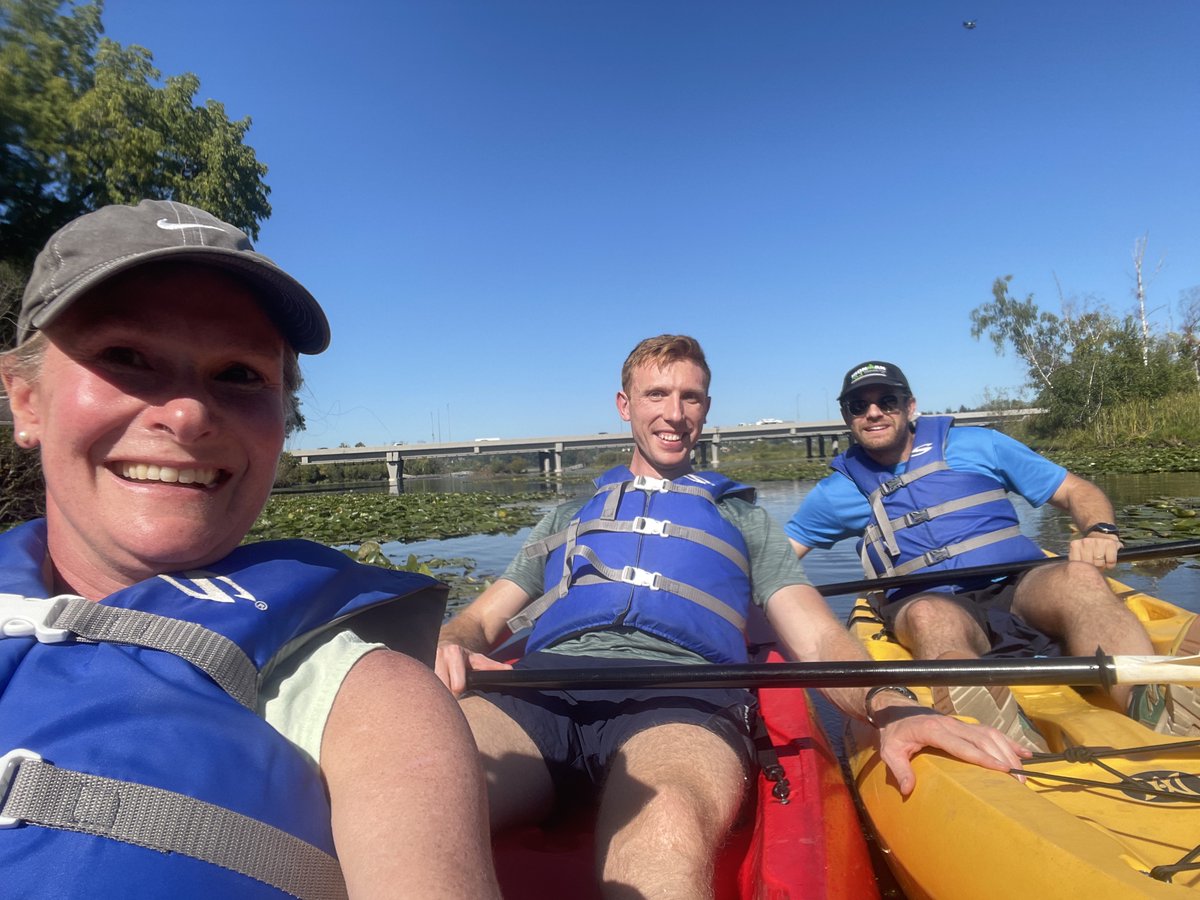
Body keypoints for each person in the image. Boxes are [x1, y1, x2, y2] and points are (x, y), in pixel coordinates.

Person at [0, 200, 501, 899]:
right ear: (25, 398)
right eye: (125, 356)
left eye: (238, 374)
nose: (188, 414)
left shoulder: (364, 693)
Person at [436, 335, 1029, 899]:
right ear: (625, 406)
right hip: (539, 686)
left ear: (706, 408)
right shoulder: (570, 513)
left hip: (681, 697)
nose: (674, 413)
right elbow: (481, 621)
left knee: (666, 812)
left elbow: (818, 636)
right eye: (657, 395)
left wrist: (889, 707)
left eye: (690, 397)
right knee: (423, 782)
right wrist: (452, 642)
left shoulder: (745, 519)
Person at [784, 359, 1193, 745]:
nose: (873, 412)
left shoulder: (980, 444)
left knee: (1080, 577)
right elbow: (780, 559)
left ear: (910, 407)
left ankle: (1152, 703)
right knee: (930, 617)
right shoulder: (835, 493)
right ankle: (997, 733)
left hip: (1020, 582)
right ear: (847, 417)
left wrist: (1101, 531)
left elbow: (1074, 490)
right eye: (859, 405)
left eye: (886, 400)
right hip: (928, 598)